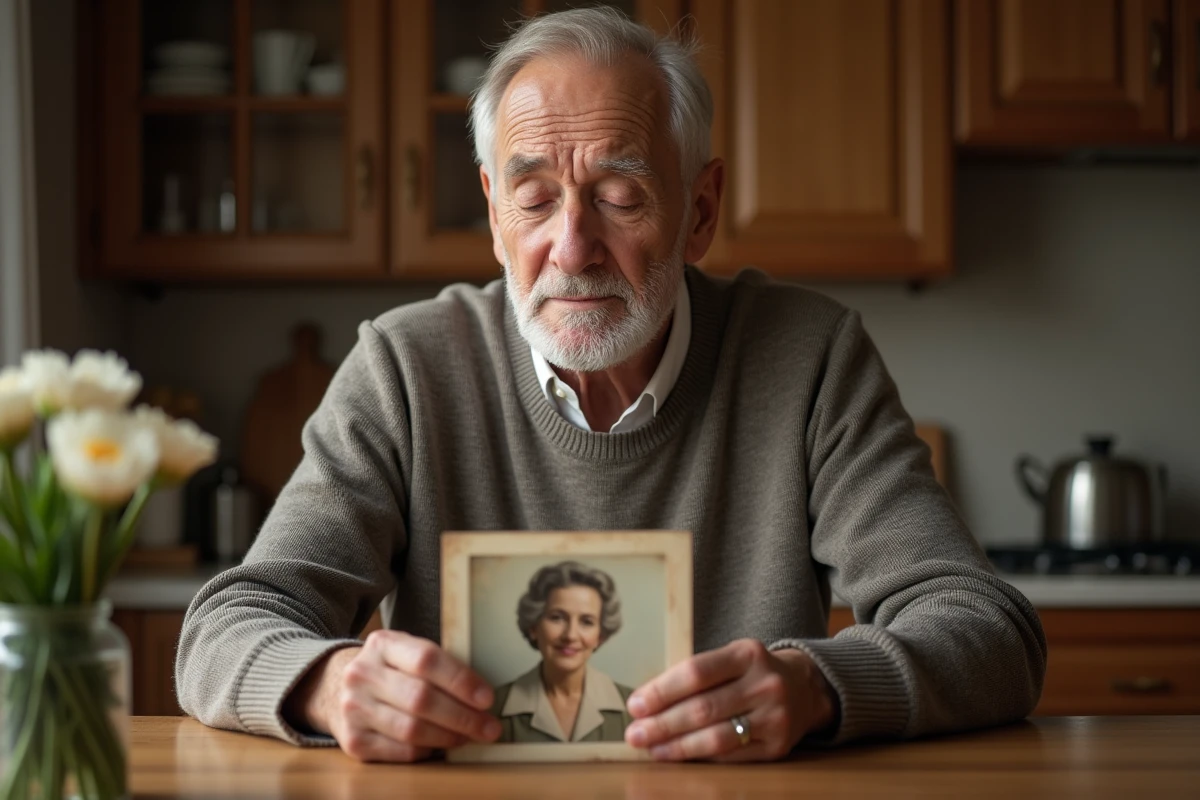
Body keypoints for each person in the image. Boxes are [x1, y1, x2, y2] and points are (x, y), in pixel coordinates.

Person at [176, 8, 1047, 764]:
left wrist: (818, 685)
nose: (572, 246)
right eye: (535, 198)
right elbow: (225, 628)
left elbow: (987, 630)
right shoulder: (405, 368)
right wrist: (331, 686)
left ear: (699, 211)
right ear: (492, 212)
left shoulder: (808, 357)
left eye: (621, 195)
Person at [491, 561, 633, 743]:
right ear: (534, 627)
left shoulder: (635, 709)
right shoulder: (492, 708)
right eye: (557, 618)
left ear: (600, 636)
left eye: (587, 622)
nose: (570, 635)